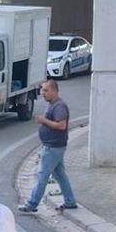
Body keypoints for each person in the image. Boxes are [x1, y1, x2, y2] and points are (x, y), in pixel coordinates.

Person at [18, 80, 78, 213]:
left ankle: (32, 204)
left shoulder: (59, 107)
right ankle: (70, 201)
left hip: (53, 147)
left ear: (55, 91)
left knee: (42, 176)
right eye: (42, 90)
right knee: (60, 175)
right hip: (53, 146)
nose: (42, 93)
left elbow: (61, 125)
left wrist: (43, 120)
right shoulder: (52, 105)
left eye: (46, 90)